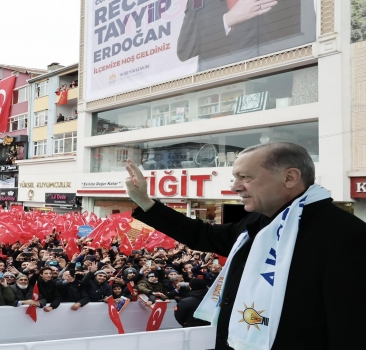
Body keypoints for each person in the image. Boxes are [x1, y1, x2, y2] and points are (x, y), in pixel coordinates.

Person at [125, 142, 366, 350]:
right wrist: (145, 202)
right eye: (236, 177)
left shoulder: (346, 235)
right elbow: (203, 235)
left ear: (290, 177)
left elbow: (350, 329)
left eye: (246, 177)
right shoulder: (258, 220)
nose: (235, 187)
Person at [177, 0, 304, 72]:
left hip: (273, 76)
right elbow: (184, 50)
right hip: (218, 83)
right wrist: (228, 19)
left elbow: (304, 34)